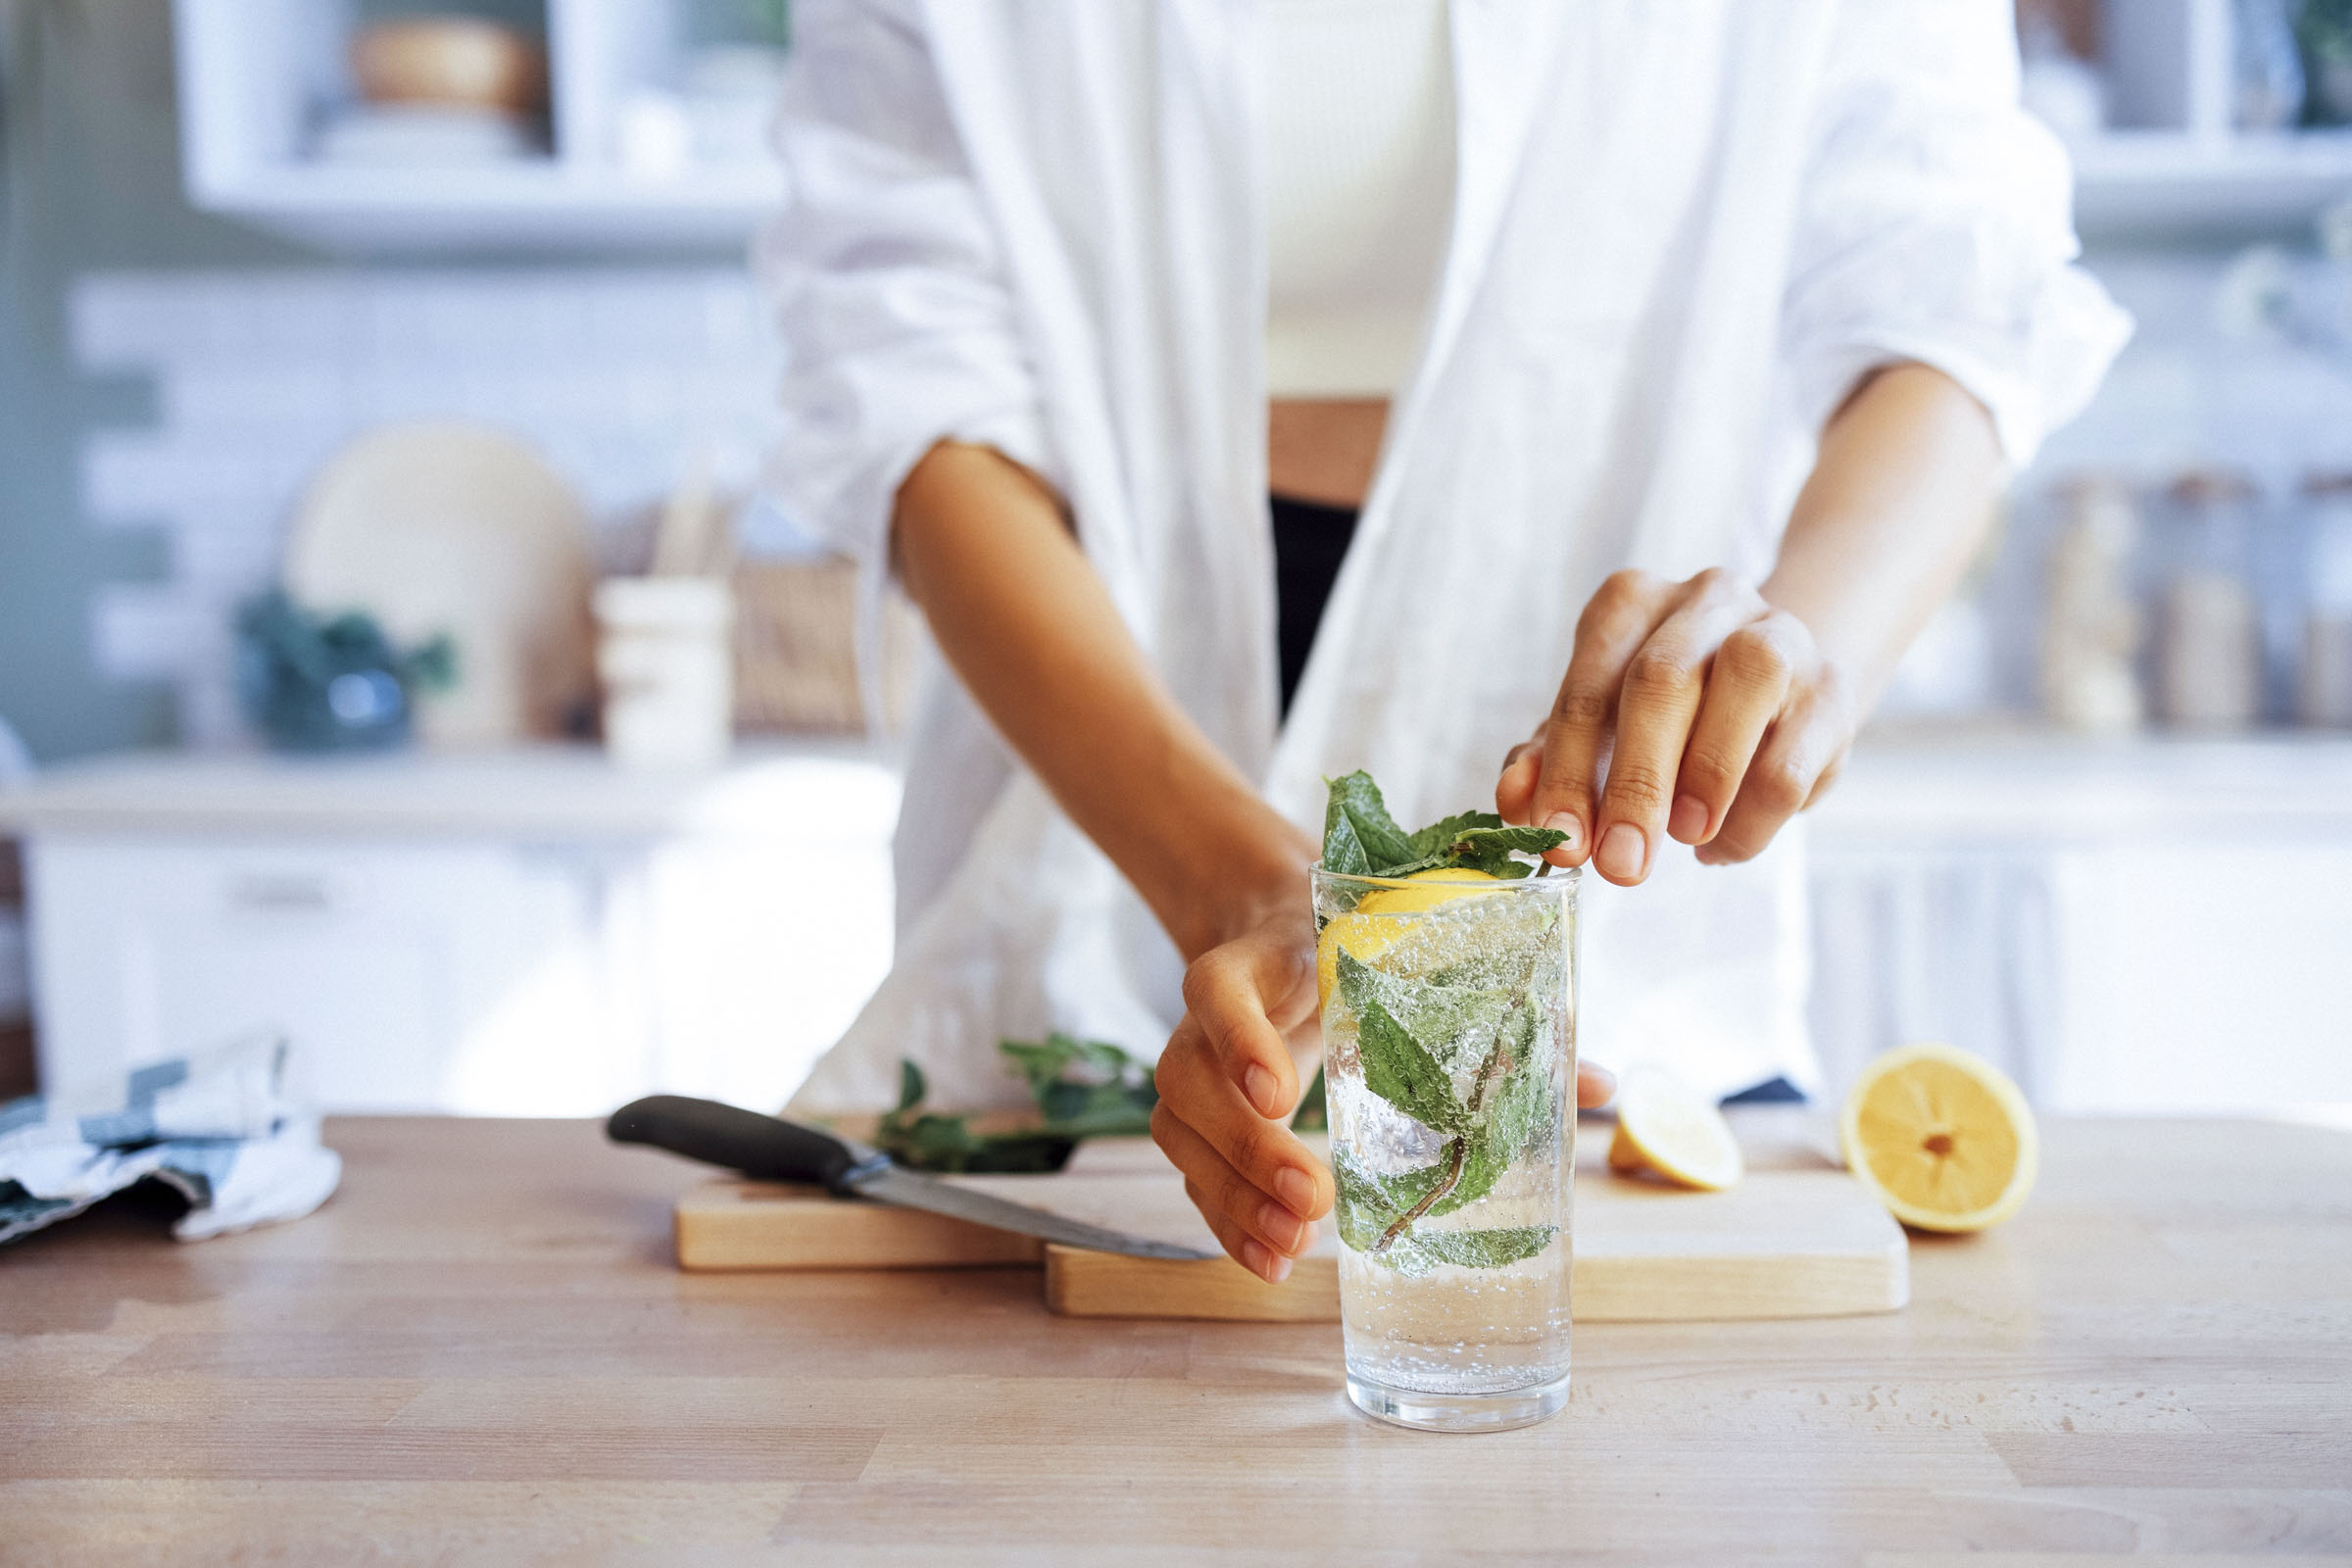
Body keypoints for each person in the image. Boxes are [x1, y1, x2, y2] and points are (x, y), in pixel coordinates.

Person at [760, 0, 2129, 1281]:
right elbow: (913, 375)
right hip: (1086, 803)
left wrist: (1801, 647)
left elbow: (1950, 293)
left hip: (1636, 965)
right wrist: (1231, 887)